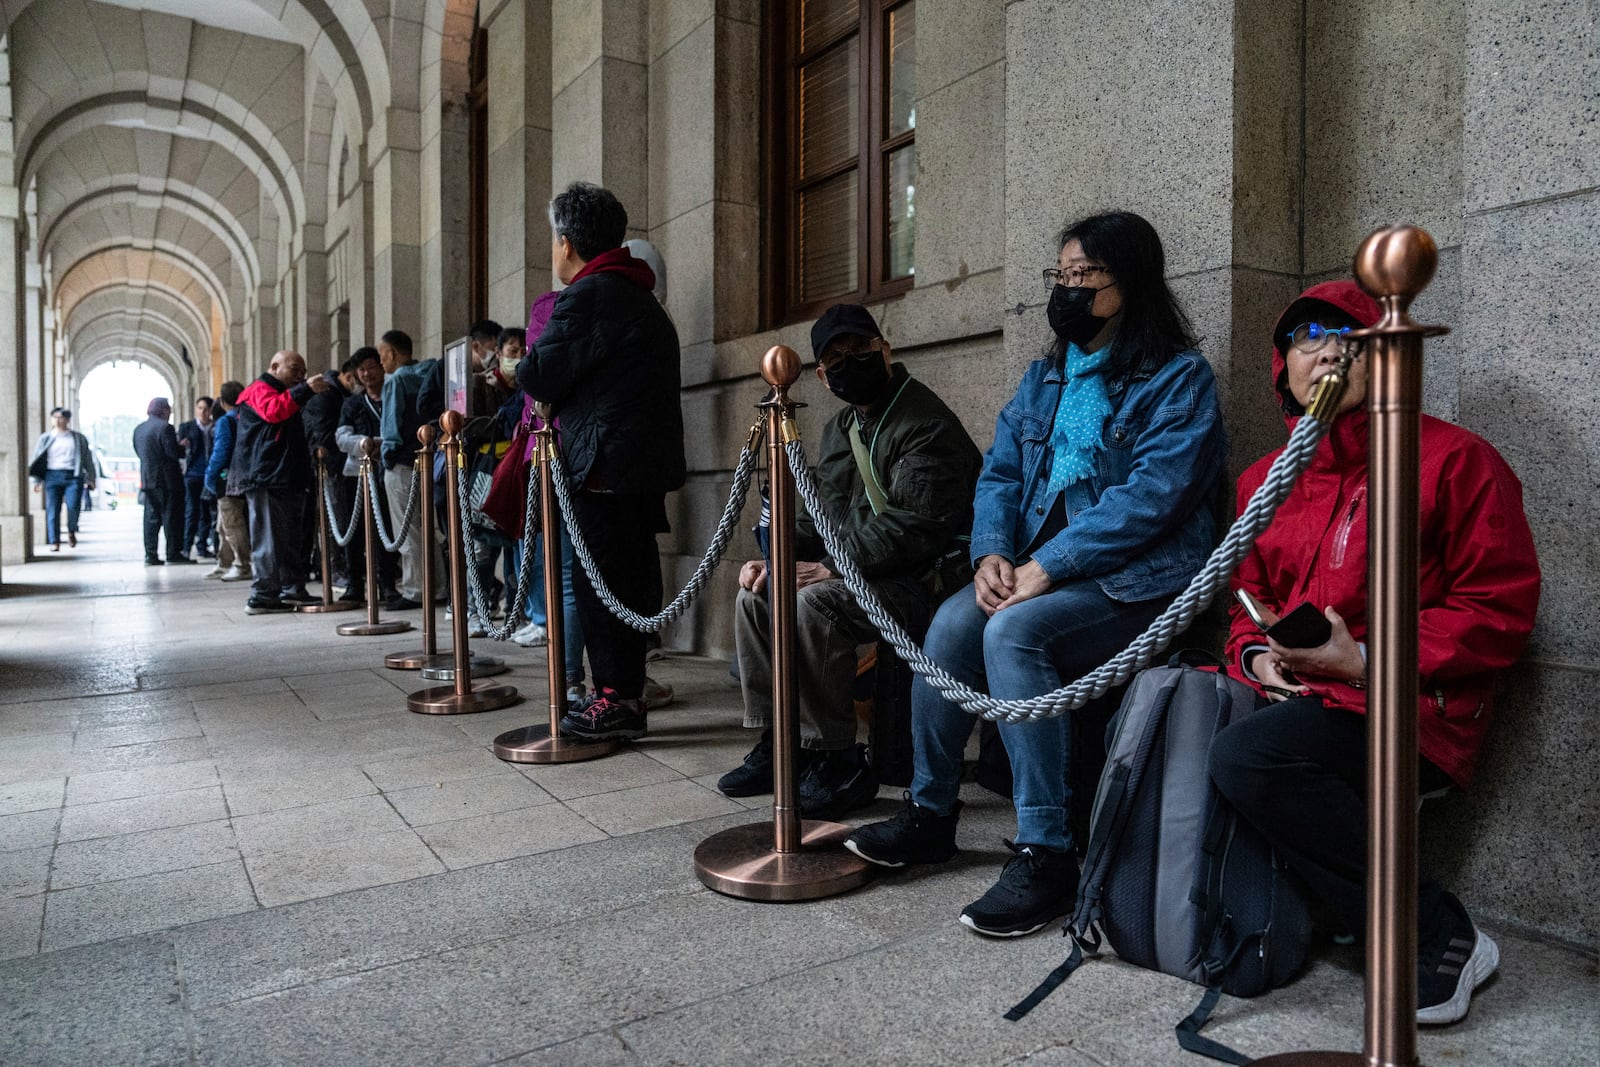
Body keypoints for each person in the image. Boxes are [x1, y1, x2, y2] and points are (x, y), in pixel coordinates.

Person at [844, 211, 1228, 938]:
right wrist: (991, 550)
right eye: (1061, 276)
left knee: (1014, 633)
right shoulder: (1045, 375)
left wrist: (1048, 565)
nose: (1068, 290)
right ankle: (930, 810)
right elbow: (1002, 471)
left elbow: (1152, 499)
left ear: (1130, 283)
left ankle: (1047, 851)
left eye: (1084, 276)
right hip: (1030, 571)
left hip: (1135, 583)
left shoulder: (1179, 380)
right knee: (953, 622)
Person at [1207, 279, 1541, 1026]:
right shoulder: (1265, 479)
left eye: (1347, 337)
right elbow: (1246, 599)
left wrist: (1366, 659)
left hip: (1412, 701)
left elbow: (1500, 608)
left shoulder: (1455, 460)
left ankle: (1440, 929)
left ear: (1384, 360)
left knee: (1249, 757)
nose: (1324, 349)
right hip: (1300, 695)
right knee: (1190, 718)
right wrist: (1255, 658)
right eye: (1306, 336)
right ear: (1281, 367)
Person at [718, 304, 982, 818]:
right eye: (835, 358)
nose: (850, 362)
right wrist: (772, 557)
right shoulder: (842, 426)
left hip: (925, 577)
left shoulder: (924, 422)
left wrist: (835, 567)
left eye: (860, 349)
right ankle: (783, 742)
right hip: (869, 568)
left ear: (884, 348)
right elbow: (824, 514)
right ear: (821, 374)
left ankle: (837, 757)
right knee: (756, 598)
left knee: (816, 604)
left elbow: (915, 527)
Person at [517, 181, 685, 741]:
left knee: (600, 585)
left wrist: (524, 369)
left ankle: (613, 698)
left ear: (567, 243)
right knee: (630, 582)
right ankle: (626, 695)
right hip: (636, 468)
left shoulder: (589, 295)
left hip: (601, 467)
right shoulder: (639, 294)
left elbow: (539, 374)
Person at [234, 350, 332, 613]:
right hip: (268, 477)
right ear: (274, 366)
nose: (300, 376)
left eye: (303, 371)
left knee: (291, 539)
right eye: (294, 369)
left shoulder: (286, 392)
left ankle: (292, 588)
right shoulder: (259, 390)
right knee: (269, 539)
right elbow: (273, 412)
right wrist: (305, 390)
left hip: (287, 477)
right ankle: (263, 595)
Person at [378, 329, 440, 610]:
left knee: (407, 530)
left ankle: (415, 589)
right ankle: (438, 587)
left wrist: (387, 454)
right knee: (429, 528)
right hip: (428, 458)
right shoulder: (428, 372)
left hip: (402, 462)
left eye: (382, 356)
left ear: (391, 353)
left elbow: (391, 425)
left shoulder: (395, 381)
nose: (381, 363)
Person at [336, 346, 399, 603]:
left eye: (371, 367)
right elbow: (341, 436)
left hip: (389, 470)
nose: (366, 374)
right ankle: (354, 584)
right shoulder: (352, 403)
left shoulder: (394, 394)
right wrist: (364, 443)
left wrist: (384, 444)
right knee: (355, 531)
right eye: (361, 370)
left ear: (381, 367)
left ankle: (387, 584)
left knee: (387, 528)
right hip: (357, 475)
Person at [132, 397, 190, 565]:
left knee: (151, 518)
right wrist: (182, 446)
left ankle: (151, 555)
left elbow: (139, 451)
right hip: (168, 480)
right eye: (169, 410)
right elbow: (172, 453)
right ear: (163, 410)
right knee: (171, 517)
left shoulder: (139, 429)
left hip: (148, 479)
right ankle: (173, 553)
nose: (170, 413)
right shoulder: (165, 428)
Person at [203, 382, 252, 581]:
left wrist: (210, 475)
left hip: (227, 477)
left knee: (232, 524)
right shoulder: (249, 417)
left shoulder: (225, 421)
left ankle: (242, 565)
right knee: (223, 524)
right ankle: (224, 563)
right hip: (247, 475)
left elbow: (221, 452)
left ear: (223, 402)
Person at [29, 407, 96, 552]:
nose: (58, 420)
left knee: (73, 507)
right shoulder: (46, 438)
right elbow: (36, 459)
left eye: (61, 417)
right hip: (52, 476)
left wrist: (91, 478)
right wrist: (37, 481)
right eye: (55, 417)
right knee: (53, 509)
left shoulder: (78, 438)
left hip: (73, 476)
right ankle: (55, 541)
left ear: (67, 420)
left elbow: (87, 460)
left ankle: (71, 530)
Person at [176, 397, 216, 559]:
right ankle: (187, 546)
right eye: (200, 408)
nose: (203, 412)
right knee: (192, 510)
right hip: (192, 474)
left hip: (209, 474)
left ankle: (202, 546)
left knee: (207, 512)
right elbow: (179, 451)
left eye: (206, 409)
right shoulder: (187, 427)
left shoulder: (215, 427)